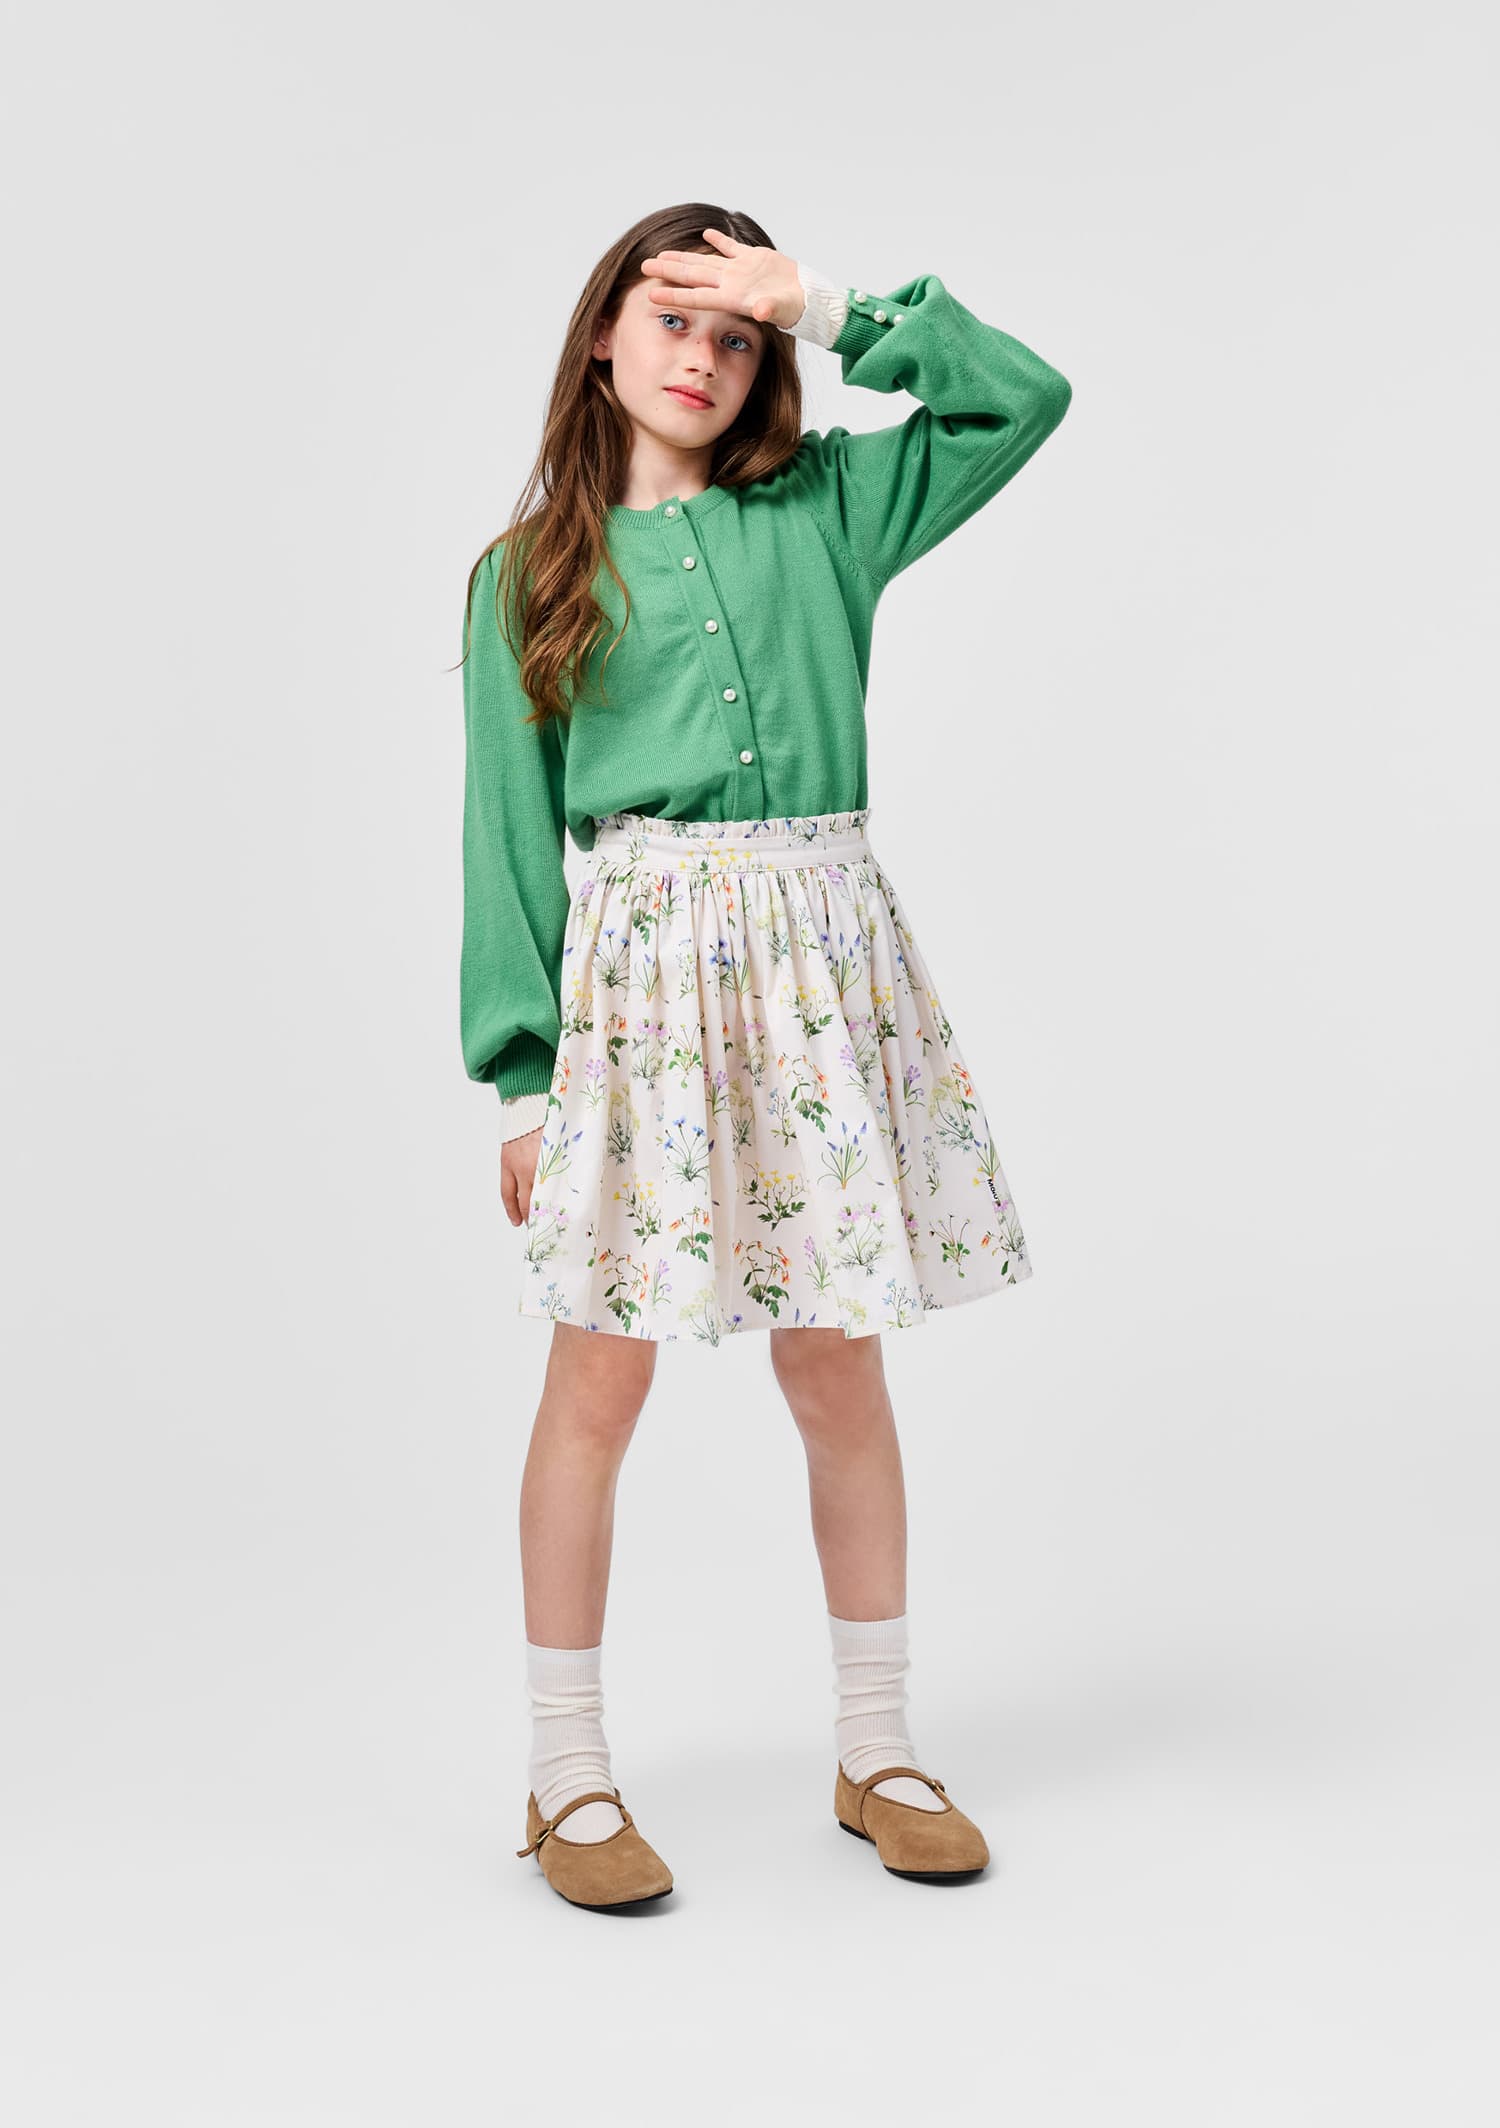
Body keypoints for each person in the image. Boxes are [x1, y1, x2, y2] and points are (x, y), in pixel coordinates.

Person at [458, 203, 1071, 1909]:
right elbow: (505, 842)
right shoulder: (528, 575)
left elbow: (1022, 399)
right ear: (603, 334)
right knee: (600, 1379)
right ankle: (565, 1772)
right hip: (644, 995)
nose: (704, 355)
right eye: (674, 315)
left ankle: (877, 1743)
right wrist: (526, 1082)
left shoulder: (831, 511)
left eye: (738, 333)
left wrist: (831, 302)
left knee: (836, 1366)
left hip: (819, 976)